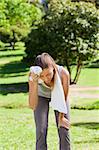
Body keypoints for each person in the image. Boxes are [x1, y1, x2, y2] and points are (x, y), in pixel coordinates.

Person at [28, 53, 71, 150]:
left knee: (64, 128)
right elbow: (32, 105)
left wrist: (61, 117)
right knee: (41, 129)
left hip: (60, 97)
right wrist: (34, 83)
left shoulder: (63, 73)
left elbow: (63, 99)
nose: (46, 79)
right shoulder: (33, 77)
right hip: (41, 96)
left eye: (48, 74)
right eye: (42, 76)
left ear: (54, 68)